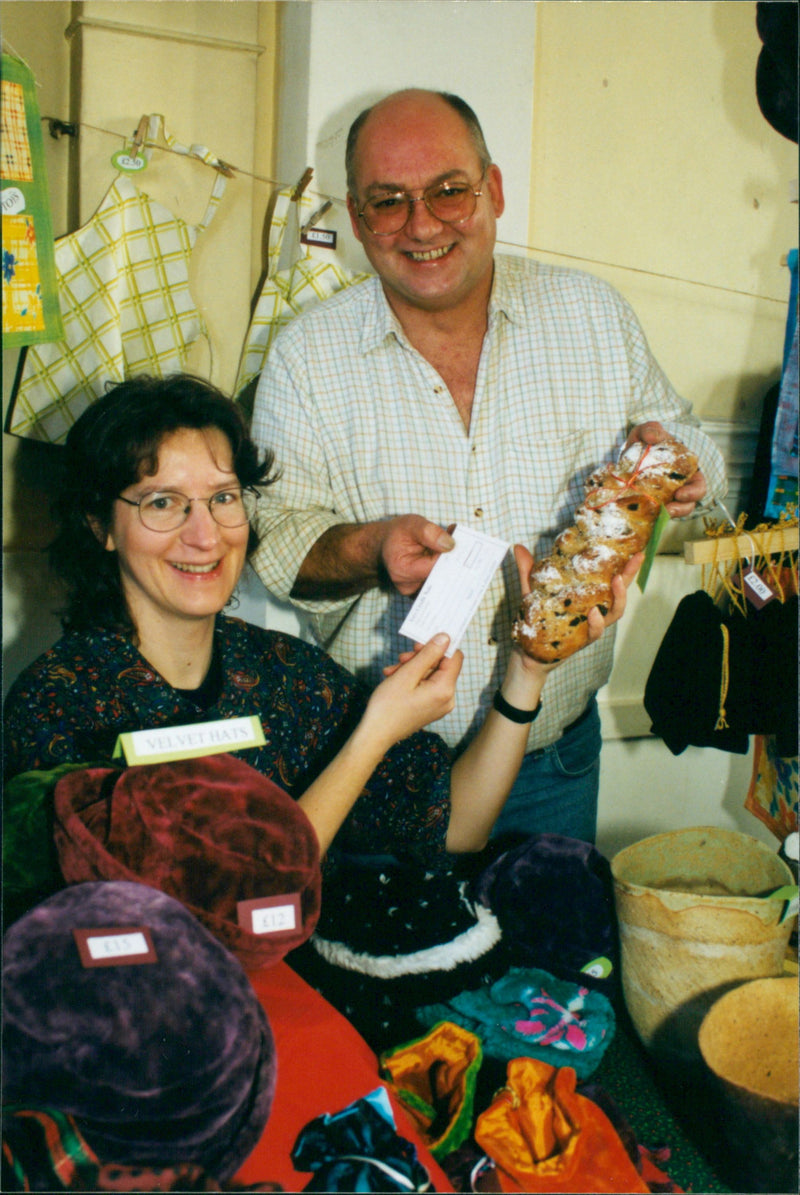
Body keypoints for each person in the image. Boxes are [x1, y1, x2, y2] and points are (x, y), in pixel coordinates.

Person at [249, 87, 727, 844]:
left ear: (493, 190)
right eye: (387, 202)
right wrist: (370, 549)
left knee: (551, 955)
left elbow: (688, 442)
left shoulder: (591, 316)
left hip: (553, 760)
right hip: (375, 772)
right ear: (356, 217)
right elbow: (272, 547)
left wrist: (688, 471)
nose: (423, 224)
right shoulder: (307, 359)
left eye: (448, 191)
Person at [2, 374, 635, 871]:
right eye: (163, 503)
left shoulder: (282, 676)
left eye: (223, 498)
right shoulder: (58, 704)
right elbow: (216, 907)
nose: (205, 536)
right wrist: (370, 739)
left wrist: (527, 672)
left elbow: (458, 828)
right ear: (98, 526)